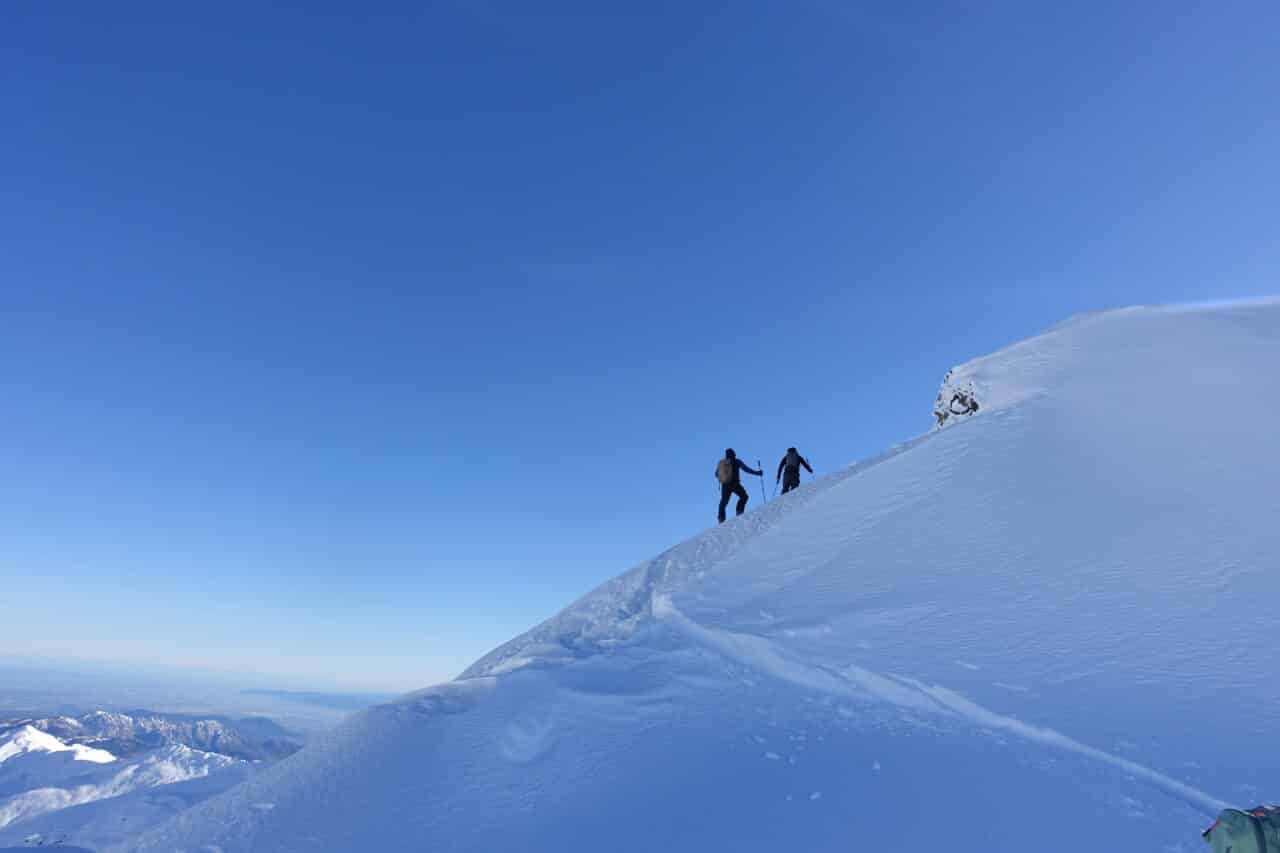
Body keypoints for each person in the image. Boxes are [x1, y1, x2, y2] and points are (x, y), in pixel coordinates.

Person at [715, 448, 761, 523]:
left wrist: (724, 477)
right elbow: (746, 469)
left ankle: (721, 519)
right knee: (744, 496)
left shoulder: (722, 463)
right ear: (734, 454)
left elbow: (716, 474)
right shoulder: (736, 461)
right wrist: (757, 473)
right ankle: (739, 512)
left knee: (723, 502)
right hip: (734, 483)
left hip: (725, 485)